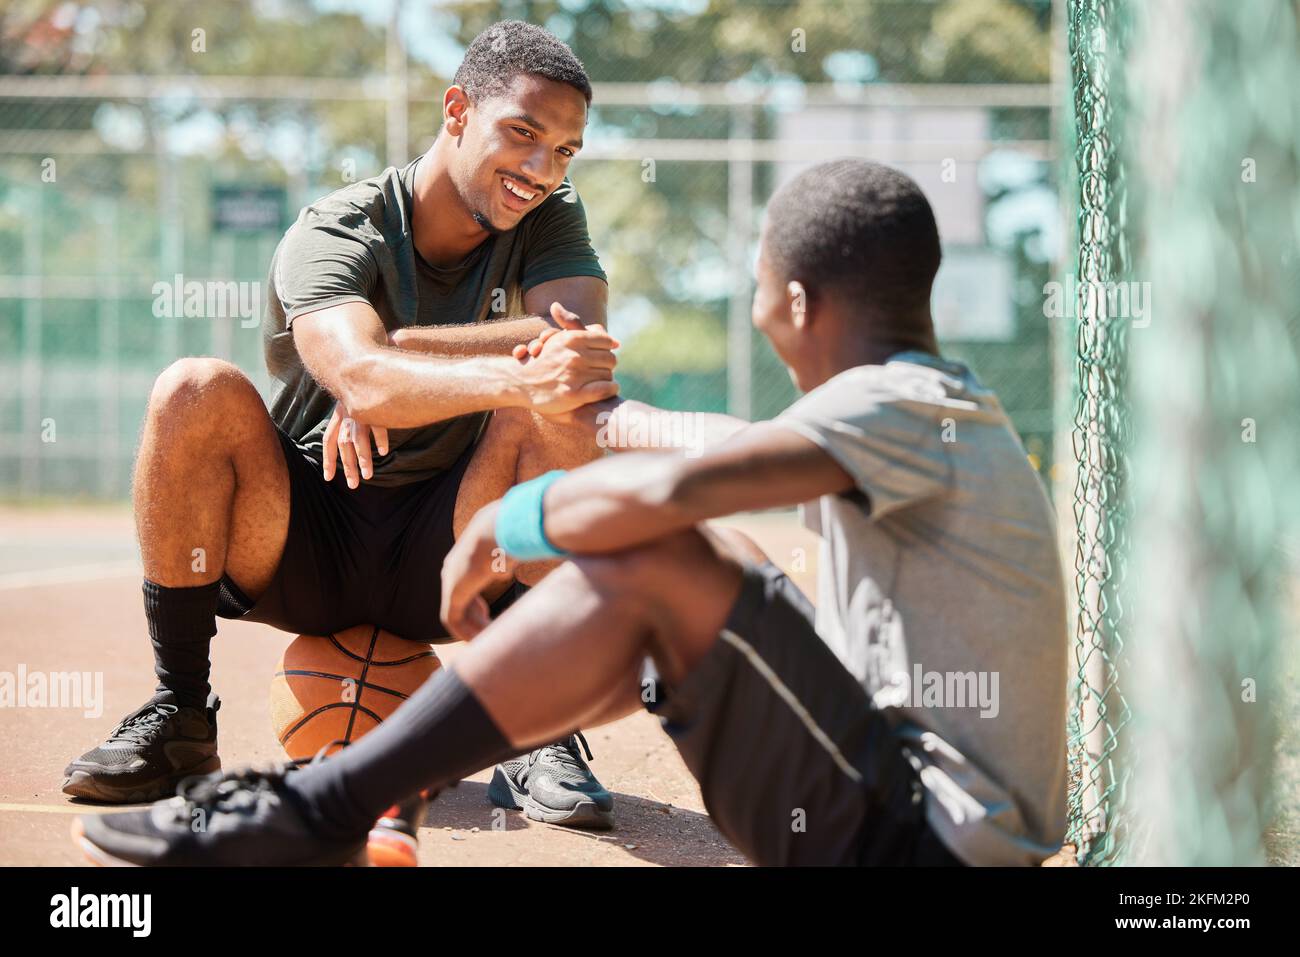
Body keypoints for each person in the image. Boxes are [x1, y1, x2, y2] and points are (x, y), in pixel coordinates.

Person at [74, 158, 1069, 867]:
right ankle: (390, 781)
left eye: (759, 290)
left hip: (913, 834)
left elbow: (693, 486)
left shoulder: (901, 406)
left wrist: (511, 528)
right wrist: (588, 410)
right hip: (899, 806)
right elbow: (719, 442)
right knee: (680, 572)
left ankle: (321, 805)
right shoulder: (927, 404)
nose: (760, 312)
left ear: (797, 304)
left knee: (660, 556)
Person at [62, 22, 626, 862]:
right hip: (309, 530)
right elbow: (363, 377)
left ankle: (538, 723)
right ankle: (180, 710)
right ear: (457, 110)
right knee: (193, 389)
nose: (543, 170)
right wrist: (401, 373)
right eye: (524, 134)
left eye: (566, 152)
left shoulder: (549, 214)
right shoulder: (337, 229)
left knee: (553, 404)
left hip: (453, 544)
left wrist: (401, 357)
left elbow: (573, 343)